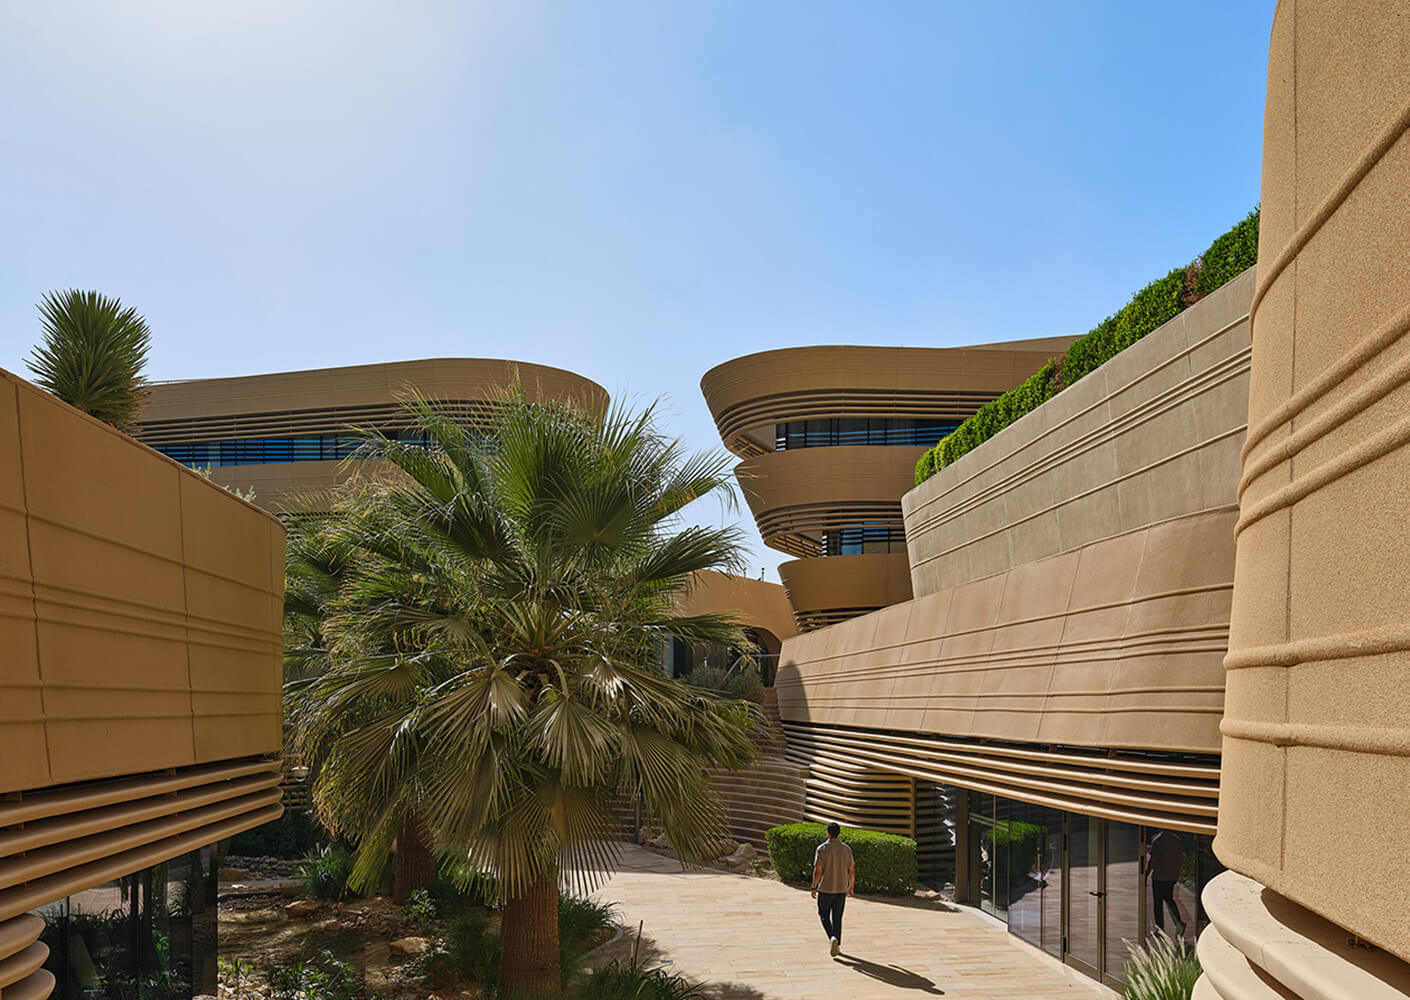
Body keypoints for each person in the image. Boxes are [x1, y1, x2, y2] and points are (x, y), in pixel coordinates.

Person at [810, 822, 855, 957]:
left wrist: (813, 886)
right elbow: (851, 870)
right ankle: (838, 945)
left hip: (825, 888)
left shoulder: (822, 849)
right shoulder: (846, 849)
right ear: (839, 833)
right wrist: (851, 886)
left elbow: (818, 870)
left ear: (828, 833)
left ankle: (832, 937)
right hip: (841, 888)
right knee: (837, 917)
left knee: (823, 914)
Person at [1146, 829, 1187, 938]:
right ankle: (1178, 922)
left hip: (1159, 876)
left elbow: (1153, 860)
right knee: (1169, 899)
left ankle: (1160, 928)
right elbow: (1180, 857)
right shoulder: (1176, 840)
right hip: (1171, 876)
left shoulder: (1157, 840)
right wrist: (1178, 873)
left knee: (1158, 903)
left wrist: (1146, 873)